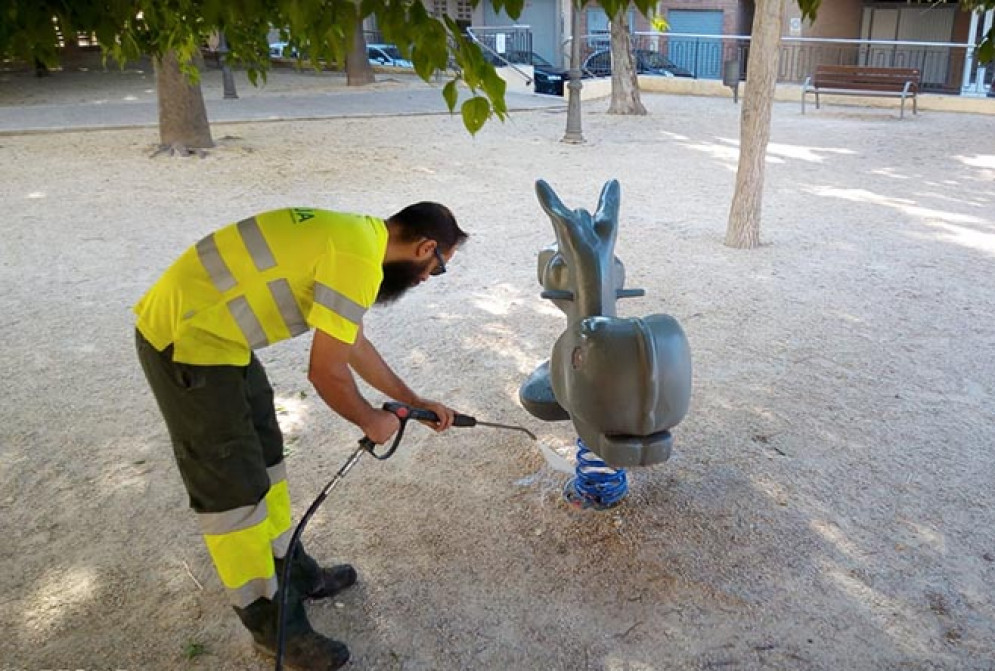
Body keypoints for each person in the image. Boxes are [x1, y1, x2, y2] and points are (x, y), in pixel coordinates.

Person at [134, 203, 467, 670]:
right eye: (438, 267)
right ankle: (273, 626)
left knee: (266, 457)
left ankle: (290, 568)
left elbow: (351, 342)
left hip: (220, 341)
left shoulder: (359, 241)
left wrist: (414, 399)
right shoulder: (356, 260)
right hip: (186, 343)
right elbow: (325, 372)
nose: (429, 277)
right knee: (233, 491)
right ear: (425, 247)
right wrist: (371, 420)